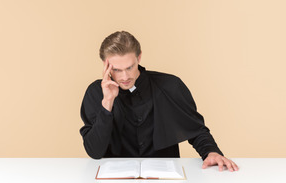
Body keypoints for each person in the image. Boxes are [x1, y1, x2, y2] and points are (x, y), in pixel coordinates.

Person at [80, 31, 239, 172]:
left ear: (139, 57)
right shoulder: (95, 93)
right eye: (116, 70)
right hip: (113, 182)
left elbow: (196, 130)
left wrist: (211, 152)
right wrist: (107, 102)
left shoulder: (170, 86)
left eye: (129, 67)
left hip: (165, 180)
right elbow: (95, 151)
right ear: (105, 65)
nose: (124, 77)